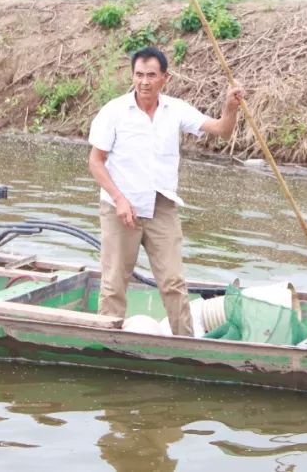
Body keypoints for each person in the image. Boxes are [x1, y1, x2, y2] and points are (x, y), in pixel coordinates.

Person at [88, 45, 243, 336]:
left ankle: (185, 345)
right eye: (138, 75)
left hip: (161, 207)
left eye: (151, 75)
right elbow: (96, 162)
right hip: (121, 208)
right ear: (132, 76)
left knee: (173, 282)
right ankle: (107, 341)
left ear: (164, 79)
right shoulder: (114, 111)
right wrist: (120, 199)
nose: (144, 82)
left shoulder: (175, 110)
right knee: (114, 282)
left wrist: (230, 107)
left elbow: (221, 129)